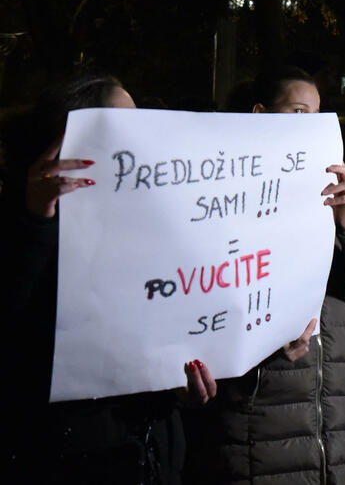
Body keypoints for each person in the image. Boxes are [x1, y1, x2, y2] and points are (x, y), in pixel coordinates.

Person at [188, 66, 345, 485]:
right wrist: (267, 335)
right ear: (260, 114)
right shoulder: (229, 199)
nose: (312, 125)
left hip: (342, 433)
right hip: (263, 431)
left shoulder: (333, 195)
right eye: (299, 111)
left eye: (318, 114)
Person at [0, 73, 213, 484]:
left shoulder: (162, 224)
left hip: (152, 458)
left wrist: (182, 390)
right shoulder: (22, 221)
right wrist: (34, 220)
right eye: (122, 124)